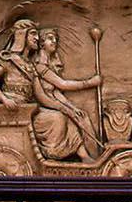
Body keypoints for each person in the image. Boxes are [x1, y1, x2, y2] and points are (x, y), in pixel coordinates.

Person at [31, 27, 103, 162]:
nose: (54, 41)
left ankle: (92, 155)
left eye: (55, 39)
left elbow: (56, 92)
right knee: (60, 117)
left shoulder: (49, 66)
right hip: (41, 110)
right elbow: (60, 85)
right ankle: (52, 153)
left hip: (54, 107)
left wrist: (72, 108)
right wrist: (90, 82)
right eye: (50, 38)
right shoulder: (39, 66)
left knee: (81, 115)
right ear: (41, 44)